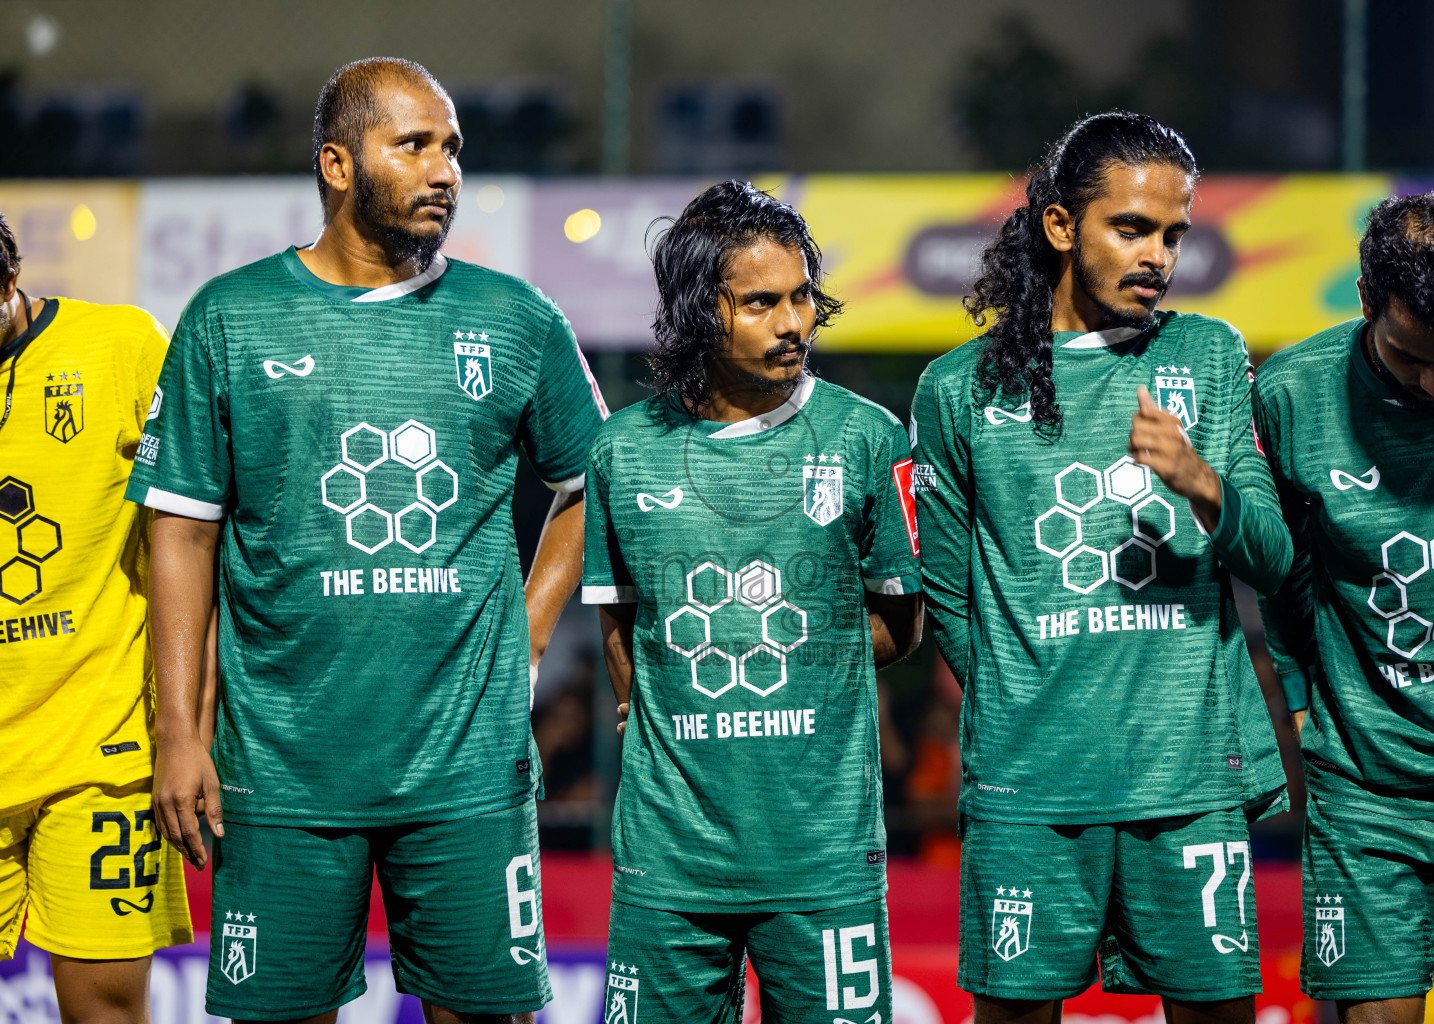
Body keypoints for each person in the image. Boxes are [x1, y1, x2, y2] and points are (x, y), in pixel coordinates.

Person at [126, 57, 606, 1023]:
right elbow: (178, 535)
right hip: (283, 765)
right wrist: (177, 732)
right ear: (339, 165)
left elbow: (594, 485)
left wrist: (529, 630)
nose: (444, 171)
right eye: (415, 145)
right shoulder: (230, 317)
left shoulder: (514, 318)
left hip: (468, 765)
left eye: (453, 149)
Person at [910, 112, 1293, 1024]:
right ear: (1059, 226)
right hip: (1031, 785)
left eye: (1172, 233)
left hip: (1188, 778)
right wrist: (1019, 692)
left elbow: (1275, 559)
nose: (1157, 254)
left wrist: (1201, 481)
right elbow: (947, 591)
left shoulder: (1206, 354)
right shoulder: (960, 388)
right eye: (1131, 228)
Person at [582, 180, 924, 1023]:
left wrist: (789, 654)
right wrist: (649, 696)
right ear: (704, 312)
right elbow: (619, 618)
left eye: (803, 295)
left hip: (824, 855)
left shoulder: (870, 437)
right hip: (669, 860)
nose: (793, 323)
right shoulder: (622, 452)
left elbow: (901, 623)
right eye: (762, 302)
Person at [1255, 191, 1434, 1020]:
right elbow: (1280, 570)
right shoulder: (1291, 395)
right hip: (1369, 784)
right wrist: (1304, 699)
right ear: (1367, 300)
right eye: (1413, 357)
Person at [0, 211, 194, 1022]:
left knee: (106, 1011)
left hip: (98, 752)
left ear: (8, 282)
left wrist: (189, 726)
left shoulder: (119, 348)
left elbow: (190, 530)